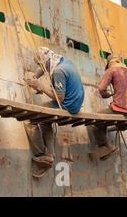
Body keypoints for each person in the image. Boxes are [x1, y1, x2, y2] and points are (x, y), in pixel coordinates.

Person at [24, 47, 85, 178]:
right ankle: (50, 155)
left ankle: (41, 154)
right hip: (75, 102)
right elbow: (45, 66)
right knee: (46, 120)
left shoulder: (58, 71)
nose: (41, 67)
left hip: (68, 105)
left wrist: (41, 87)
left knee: (32, 118)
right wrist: (35, 77)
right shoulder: (63, 61)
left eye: (40, 64)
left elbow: (60, 97)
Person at [89, 55, 127, 161]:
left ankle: (106, 146)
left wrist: (106, 95)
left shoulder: (112, 70)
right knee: (103, 120)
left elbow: (101, 88)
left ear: (110, 63)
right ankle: (105, 149)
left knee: (95, 120)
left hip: (118, 108)